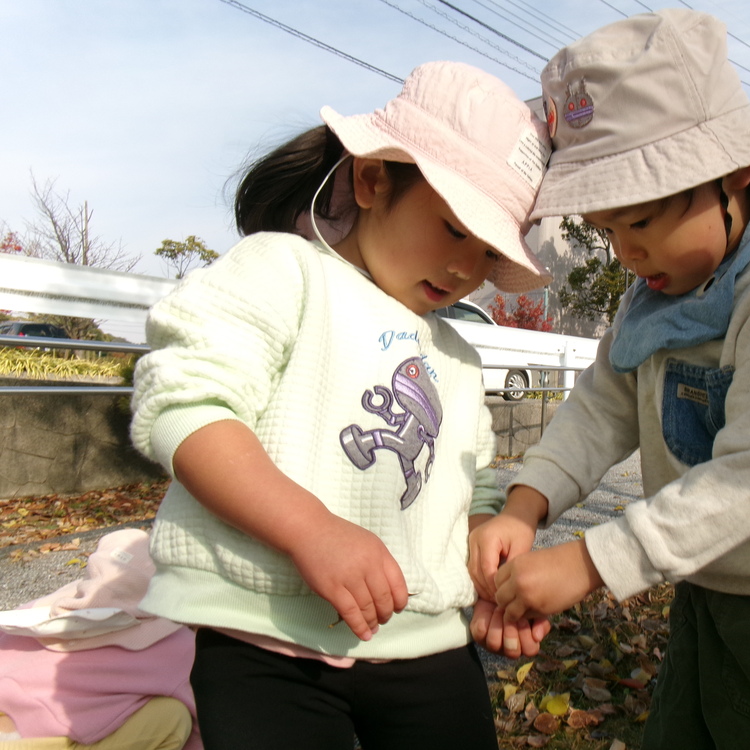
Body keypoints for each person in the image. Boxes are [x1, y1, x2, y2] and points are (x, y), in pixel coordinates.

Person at [466, 9, 750, 750]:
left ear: (733, 174)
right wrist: (527, 506)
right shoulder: (655, 296)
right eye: (608, 229)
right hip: (712, 584)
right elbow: (601, 404)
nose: (626, 251)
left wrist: (591, 560)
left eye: (641, 220)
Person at [129, 60, 553, 750]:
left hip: (425, 645)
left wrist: (485, 548)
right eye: (452, 229)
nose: (463, 267)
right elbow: (186, 406)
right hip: (264, 636)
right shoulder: (284, 271)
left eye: (486, 251)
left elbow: (467, 482)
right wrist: (311, 530)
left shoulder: (459, 355)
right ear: (371, 179)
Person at [0, 530, 199, 750]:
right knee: (173, 715)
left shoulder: (43, 607)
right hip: (45, 740)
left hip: (8, 719)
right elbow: (205, 719)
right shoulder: (177, 644)